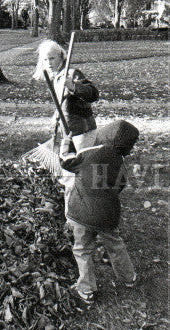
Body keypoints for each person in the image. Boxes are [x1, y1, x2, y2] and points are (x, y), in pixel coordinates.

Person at [58, 119, 140, 305]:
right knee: (116, 246)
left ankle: (86, 290)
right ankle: (129, 278)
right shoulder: (119, 163)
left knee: (82, 250)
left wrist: (65, 144)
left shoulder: (88, 153)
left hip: (82, 213)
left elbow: (66, 162)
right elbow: (121, 185)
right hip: (108, 216)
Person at [32, 38, 99, 152]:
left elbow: (93, 94)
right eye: (45, 59)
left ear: (61, 56)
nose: (49, 63)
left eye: (52, 58)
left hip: (83, 131)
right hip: (68, 131)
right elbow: (63, 101)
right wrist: (57, 114)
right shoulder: (56, 76)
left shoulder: (71, 74)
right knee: (69, 164)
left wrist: (72, 86)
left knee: (82, 165)